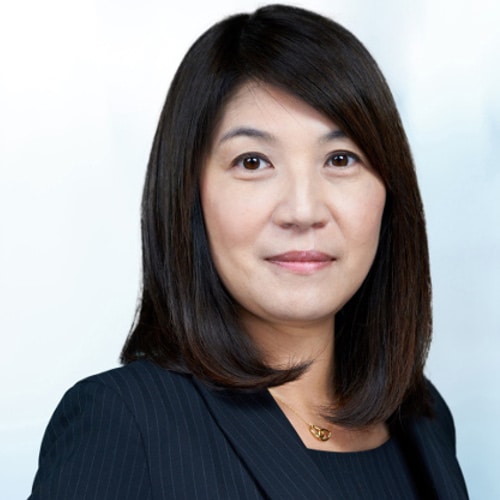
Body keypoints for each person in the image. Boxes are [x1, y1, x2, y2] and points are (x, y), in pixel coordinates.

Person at [29, 4, 468, 499]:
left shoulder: (423, 418)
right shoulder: (123, 423)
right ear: (189, 194)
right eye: (253, 162)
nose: (303, 210)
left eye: (341, 159)